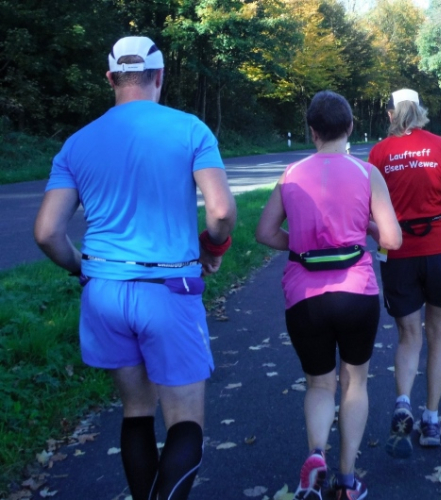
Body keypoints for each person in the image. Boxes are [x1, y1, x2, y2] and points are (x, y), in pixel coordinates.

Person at [33, 36, 237, 500]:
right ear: (160, 76)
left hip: (104, 292)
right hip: (168, 288)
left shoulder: (76, 143)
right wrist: (213, 247)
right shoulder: (190, 129)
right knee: (185, 421)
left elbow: (46, 232)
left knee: (136, 412)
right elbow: (222, 212)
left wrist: (80, 268)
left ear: (110, 78)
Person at [256, 90, 401, 500]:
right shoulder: (367, 173)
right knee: (355, 382)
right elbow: (392, 239)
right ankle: (347, 480)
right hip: (356, 293)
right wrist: (367, 230)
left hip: (305, 297)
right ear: (350, 127)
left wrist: (303, 244)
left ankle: (316, 455)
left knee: (319, 385)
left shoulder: (290, 174)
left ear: (312, 131)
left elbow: (264, 232)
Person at [368, 88, 441, 459]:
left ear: (390, 114)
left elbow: (368, 208)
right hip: (439, 247)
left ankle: (403, 403)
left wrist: (380, 228)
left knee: (409, 335)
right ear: (421, 111)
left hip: (398, 250)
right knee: (438, 332)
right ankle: (431, 419)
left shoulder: (379, 153)